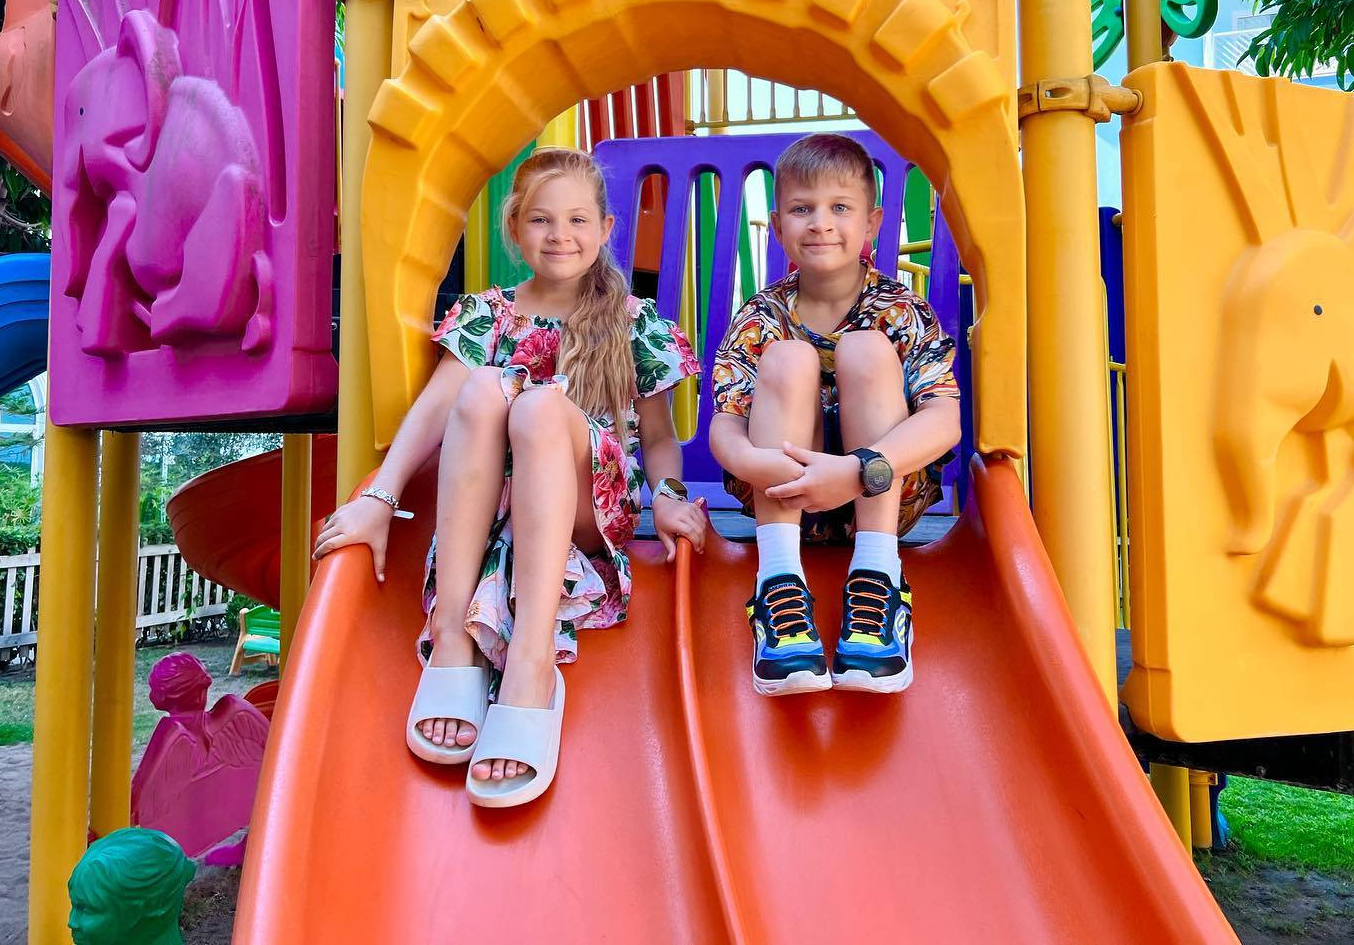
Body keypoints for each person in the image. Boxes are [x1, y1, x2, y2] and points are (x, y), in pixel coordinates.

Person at [313, 147, 705, 807]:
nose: (561, 236)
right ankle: (454, 639)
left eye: (579, 220)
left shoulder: (634, 323)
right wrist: (382, 495)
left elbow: (660, 442)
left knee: (541, 406)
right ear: (515, 227)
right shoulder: (487, 313)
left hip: (586, 510)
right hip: (492, 504)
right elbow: (436, 409)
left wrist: (666, 499)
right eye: (543, 220)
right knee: (483, 387)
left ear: (606, 230)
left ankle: (530, 663)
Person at [710, 133, 961, 697]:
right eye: (802, 209)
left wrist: (857, 471)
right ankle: (777, 582)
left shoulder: (900, 310)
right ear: (777, 226)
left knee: (867, 348)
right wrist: (755, 461)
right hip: (782, 496)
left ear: (872, 223)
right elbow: (726, 422)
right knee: (790, 357)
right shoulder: (762, 315)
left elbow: (944, 420)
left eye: (839, 208)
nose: (821, 223)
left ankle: (877, 579)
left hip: (879, 497)